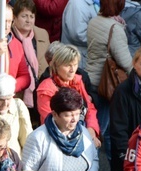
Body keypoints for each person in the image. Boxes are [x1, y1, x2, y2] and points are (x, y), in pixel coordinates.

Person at [86, 0, 132, 160]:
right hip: (107, 84)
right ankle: (94, 166)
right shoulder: (115, 28)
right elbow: (125, 61)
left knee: (94, 125)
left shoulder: (94, 21)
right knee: (101, 129)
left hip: (92, 78)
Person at [35, 42, 101, 145]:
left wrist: (92, 130)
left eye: (75, 65)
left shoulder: (78, 80)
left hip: (83, 134)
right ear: (56, 65)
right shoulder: (46, 88)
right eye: (67, 65)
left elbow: (89, 108)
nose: (72, 70)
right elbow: (50, 121)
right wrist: (82, 137)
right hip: (58, 140)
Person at [11, 0, 50, 114]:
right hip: (17, 93)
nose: (28, 20)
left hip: (39, 91)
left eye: (31, 16)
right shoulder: (7, 36)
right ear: (15, 17)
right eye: (24, 16)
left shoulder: (42, 34)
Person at [61, 0, 97, 67]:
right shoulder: (77, 4)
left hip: (85, 58)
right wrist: (100, 39)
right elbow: (78, 34)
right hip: (78, 61)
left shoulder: (92, 3)